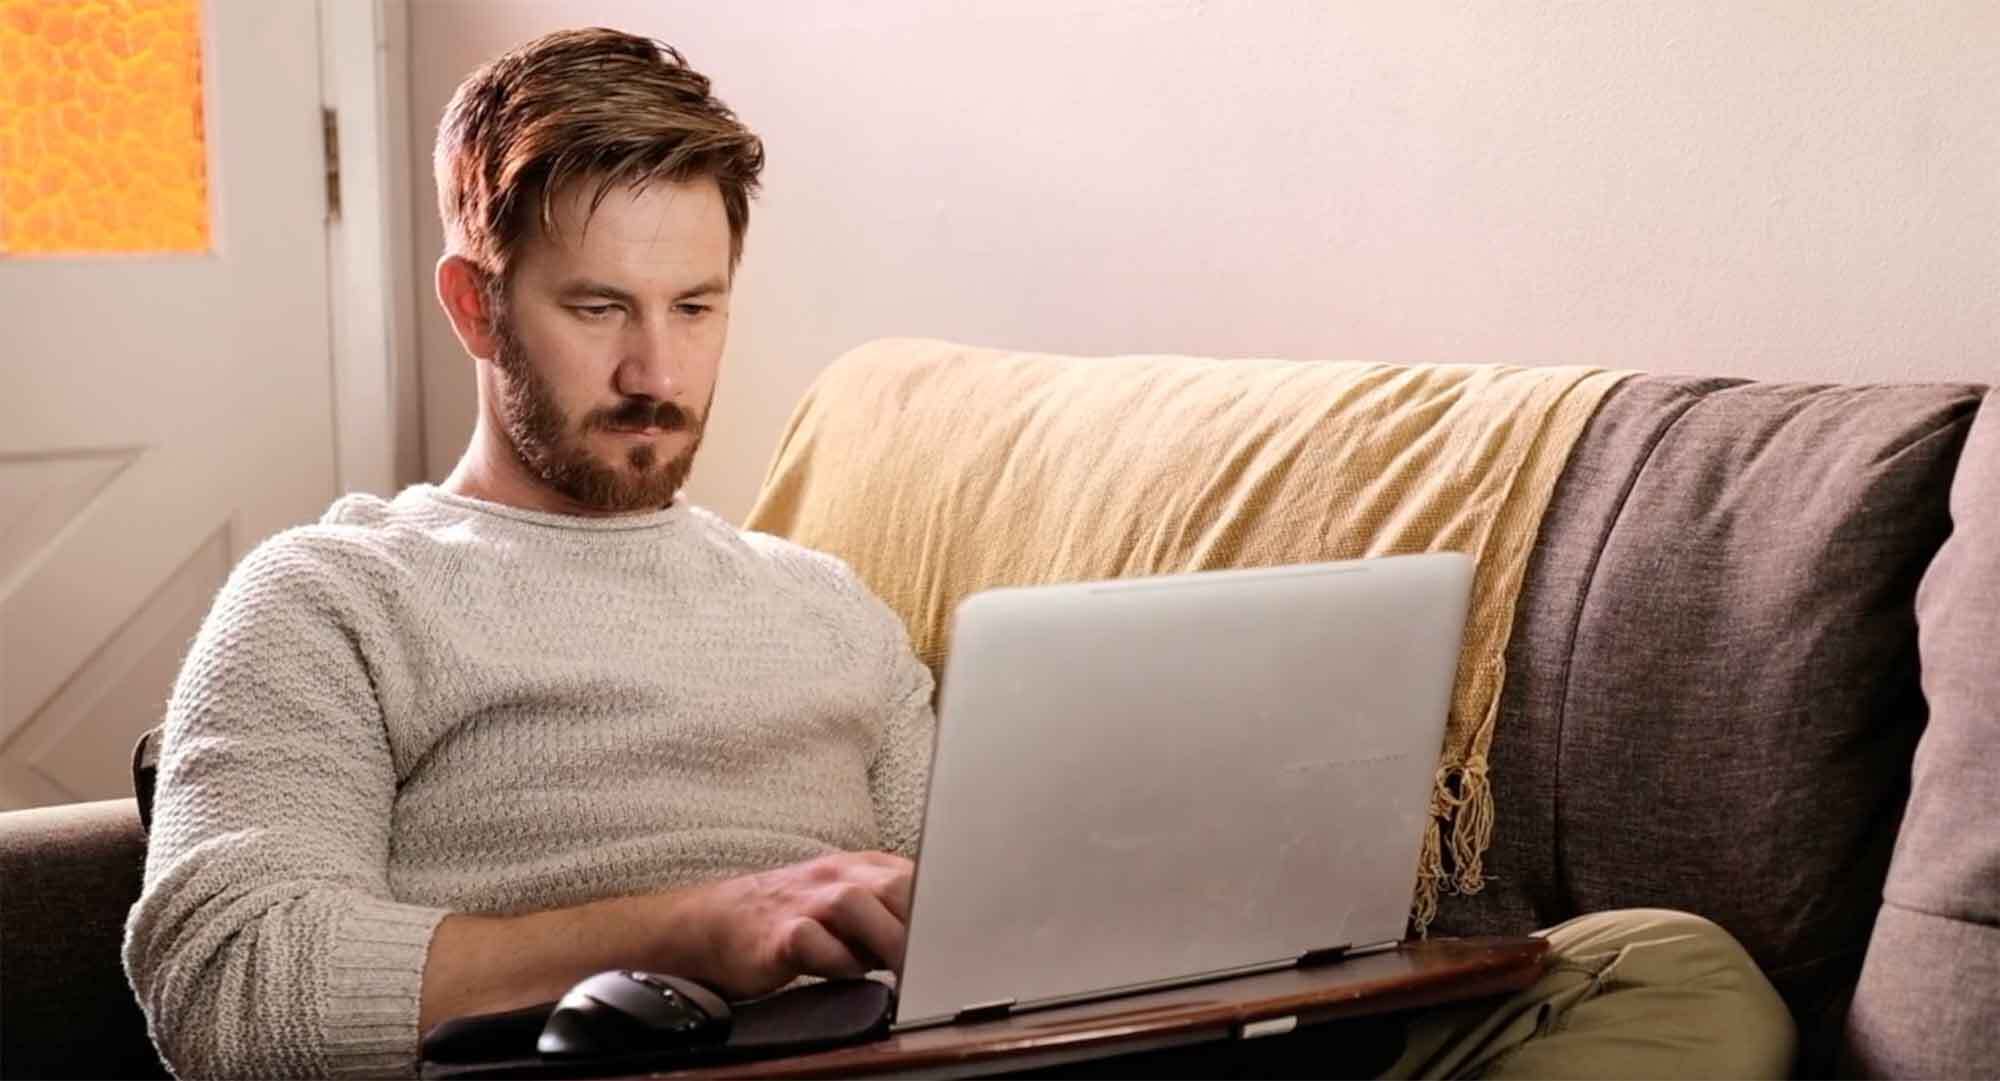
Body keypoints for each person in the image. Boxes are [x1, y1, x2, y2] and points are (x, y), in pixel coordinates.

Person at [124, 27, 1795, 1080]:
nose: (658, 371)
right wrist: (701, 926)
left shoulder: (824, 608)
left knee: (1668, 968)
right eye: (598, 311)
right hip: (620, 1062)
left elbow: (994, 917)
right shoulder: (330, 596)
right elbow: (232, 984)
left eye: (696, 308)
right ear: (476, 302)